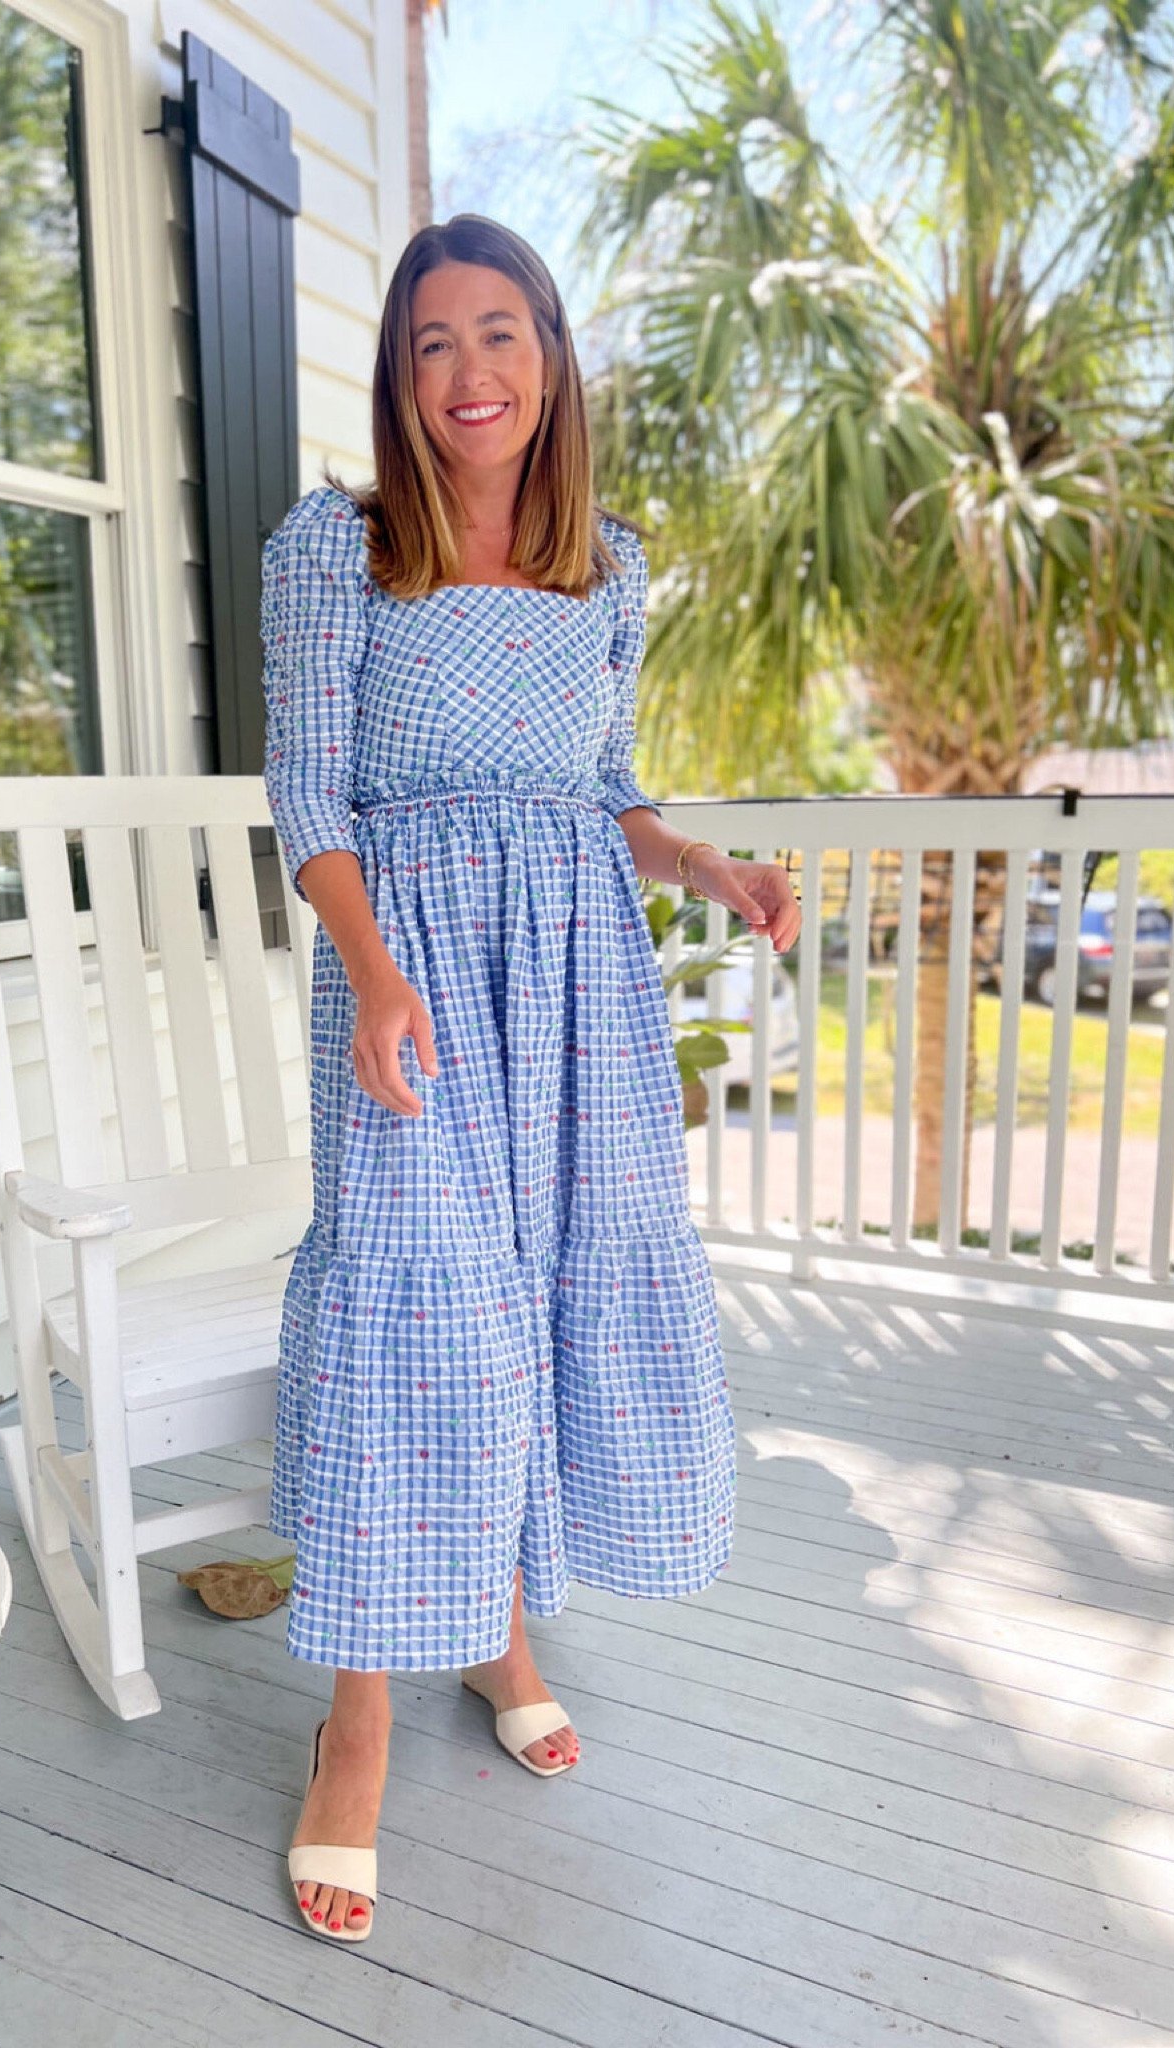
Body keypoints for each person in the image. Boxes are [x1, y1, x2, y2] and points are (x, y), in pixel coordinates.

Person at [259, 213, 802, 1945]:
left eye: (501, 335)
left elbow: (604, 790)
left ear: (551, 358)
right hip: (411, 980)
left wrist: (701, 866)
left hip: (574, 985)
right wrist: (370, 977)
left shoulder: (609, 567)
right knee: (418, 1309)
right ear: (400, 378)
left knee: (547, 1304)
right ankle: (358, 1719)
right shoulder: (333, 550)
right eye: (433, 344)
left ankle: (496, 1628)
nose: (470, 373)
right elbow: (311, 800)